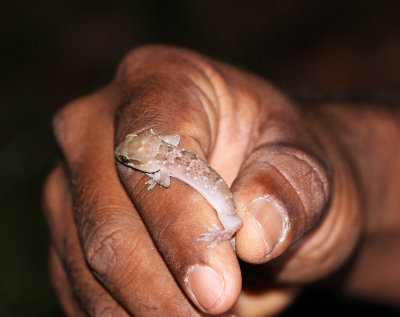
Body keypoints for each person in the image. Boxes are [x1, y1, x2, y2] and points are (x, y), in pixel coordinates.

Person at [43, 45, 400, 316]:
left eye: (129, 159)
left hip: (230, 220)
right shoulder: (167, 153)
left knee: (229, 229)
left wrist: (218, 232)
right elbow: (170, 151)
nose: (125, 161)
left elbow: (166, 180)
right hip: (245, 224)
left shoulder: (164, 167)